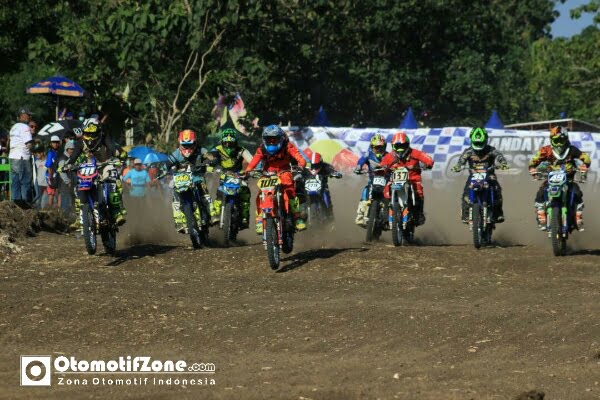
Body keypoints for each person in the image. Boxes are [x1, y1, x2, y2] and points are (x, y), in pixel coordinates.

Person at [244, 124, 307, 234]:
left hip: (284, 172)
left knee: (290, 191)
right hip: (267, 174)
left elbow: (300, 159)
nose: (272, 142)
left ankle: (297, 218)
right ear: (264, 139)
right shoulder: (262, 149)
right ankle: (259, 219)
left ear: (281, 139)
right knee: (260, 194)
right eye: (269, 139)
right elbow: (253, 162)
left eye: (274, 139)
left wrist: (301, 166)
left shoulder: (288, 146)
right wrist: (248, 171)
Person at [528, 126, 591, 231]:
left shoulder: (572, 149)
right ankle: (541, 215)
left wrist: (584, 166)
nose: (559, 144)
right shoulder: (546, 150)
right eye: (556, 141)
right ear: (551, 140)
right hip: (551, 180)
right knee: (541, 193)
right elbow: (533, 160)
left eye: (561, 140)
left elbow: (586, 158)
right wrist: (533, 168)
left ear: (566, 139)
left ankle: (578, 216)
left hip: (568, 180)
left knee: (577, 193)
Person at [66, 120, 127, 225]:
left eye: (93, 134)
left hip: (106, 163)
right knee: (78, 186)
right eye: (88, 134)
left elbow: (112, 146)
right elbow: (74, 156)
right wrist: (67, 165)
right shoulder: (80, 143)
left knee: (112, 180)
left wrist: (118, 154)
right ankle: (80, 216)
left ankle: (116, 211)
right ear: (83, 132)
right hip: (89, 166)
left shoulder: (104, 138)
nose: (90, 137)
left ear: (98, 132)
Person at [451, 127, 509, 223]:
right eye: (476, 143)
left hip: (489, 175)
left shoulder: (491, 150)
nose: (478, 146)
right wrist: (458, 166)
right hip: (474, 175)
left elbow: (499, 156)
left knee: (497, 190)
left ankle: (498, 213)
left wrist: (503, 163)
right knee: (466, 193)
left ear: (485, 140)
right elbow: (461, 160)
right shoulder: (468, 151)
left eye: (480, 143)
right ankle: (466, 214)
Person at [380, 131, 434, 225]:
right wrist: (381, 169)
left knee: (419, 192)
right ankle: (385, 216)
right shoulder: (390, 156)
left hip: (413, 179)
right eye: (397, 146)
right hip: (395, 180)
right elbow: (382, 165)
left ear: (407, 145)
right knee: (386, 192)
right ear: (393, 146)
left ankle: (419, 215)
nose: (400, 149)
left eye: (402, 146)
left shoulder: (415, 153)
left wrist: (427, 164)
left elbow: (428, 159)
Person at [166, 129, 215, 232]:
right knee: (175, 195)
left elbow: (210, 156)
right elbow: (167, 163)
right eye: (185, 145)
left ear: (195, 143)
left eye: (189, 145)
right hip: (181, 178)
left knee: (204, 192)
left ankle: (213, 214)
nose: (187, 148)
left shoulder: (200, 150)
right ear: (180, 143)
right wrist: (163, 170)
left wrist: (211, 160)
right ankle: (178, 221)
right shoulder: (177, 153)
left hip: (197, 176)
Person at [208, 128, 253, 228]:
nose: (228, 145)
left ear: (236, 142)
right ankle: (215, 215)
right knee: (218, 192)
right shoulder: (217, 149)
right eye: (226, 143)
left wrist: (253, 170)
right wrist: (210, 165)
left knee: (245, 191)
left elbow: (252, 161)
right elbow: (211, 158)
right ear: (222, 142)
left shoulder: (241, 150)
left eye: (231, 143)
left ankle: (244, 217)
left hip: (239, 175)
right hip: (222, 174)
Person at [353, 134, 388, 225]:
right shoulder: (368, 154)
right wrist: (358, 167)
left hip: (387, 181)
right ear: (372, 147)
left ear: (385, 147)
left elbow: (396, 163)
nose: (378, 150)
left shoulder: (389, 156)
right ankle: (360, 215)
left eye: (381, 147)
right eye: (376, 147)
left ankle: (392, 217)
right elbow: (361, 160)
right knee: (365, 191)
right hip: (372, 180)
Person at [298, 152, 342, 219]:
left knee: (325, 193)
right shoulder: (306, 166)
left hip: (322, 187)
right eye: (313, 165)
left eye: (317, 165)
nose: (315, 167)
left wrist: (335, 173)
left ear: (321, 162)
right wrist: (297, 173)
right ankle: (301, 213)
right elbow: (299, 170)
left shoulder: (326, 166)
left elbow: (333, 170)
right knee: (299, 192)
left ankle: (329, 213)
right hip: (307, 187)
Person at [9, 108, 34, 205]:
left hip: (13, 156)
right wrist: (34, 149)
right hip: (22, 157)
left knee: (15, 181)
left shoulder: (14, 127)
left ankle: (15, 203)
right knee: (25, 181)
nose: (30, 117)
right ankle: (25, 204)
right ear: (23, 115)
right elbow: (28, 144)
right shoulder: (24, 127)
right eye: (28, 115)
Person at [45, 135, 62, 208]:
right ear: (51, 143)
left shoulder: (59, 152)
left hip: (58, 174)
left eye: (57, 142)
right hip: (51, 174)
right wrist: (50, 177)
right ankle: (49, 210)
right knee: (51, 193)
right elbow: (49, 166)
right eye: (54, 142)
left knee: (59, 192)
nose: (55, 144)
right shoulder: (50, 153)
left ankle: (59, 210)